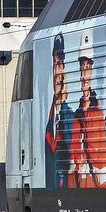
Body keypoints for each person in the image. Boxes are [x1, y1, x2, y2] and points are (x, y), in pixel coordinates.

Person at [70, 28, 106, 188]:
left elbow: (101, 163)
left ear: (92, 71)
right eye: (82, 68)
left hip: (93, 188)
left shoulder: (98, 115)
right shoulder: (76, 117)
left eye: (87, 68)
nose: (84, 74)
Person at [44, 32, 73, 188]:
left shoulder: (70, 119)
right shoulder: (48, 122)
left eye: (60, 64)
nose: (57, 71)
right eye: (55, 64)